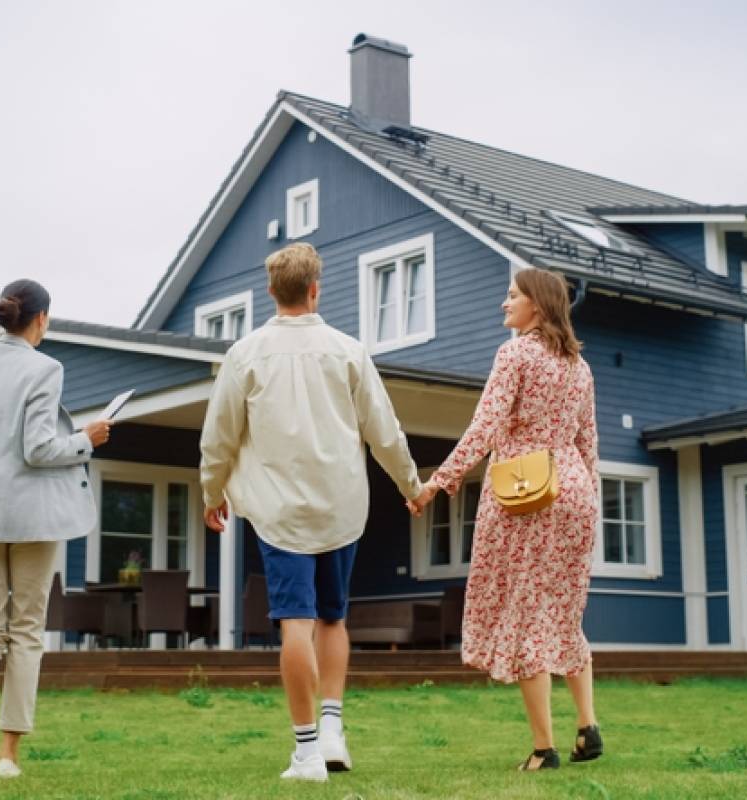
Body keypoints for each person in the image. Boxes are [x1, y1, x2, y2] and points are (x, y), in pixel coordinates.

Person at [199, 242, 424, 783]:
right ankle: (331, 729)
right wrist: (411, 485)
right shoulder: (349, 350)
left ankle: (306, 755)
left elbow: (219, 437)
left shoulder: (245, 354)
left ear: (272, 293)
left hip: (280, 514)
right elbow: (384, 432)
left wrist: (213, 494)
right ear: (316, 289)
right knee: (333, 618)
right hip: (341, 507)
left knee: (296, 623)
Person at [408, 268, 604, 771]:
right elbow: (588, 445)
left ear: (536, 305)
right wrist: (591, 505)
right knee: (563, 613)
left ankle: (544, 748)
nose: (503, 303)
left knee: (526, 616)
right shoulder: (579, 367)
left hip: (527, 490)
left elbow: (486, 426)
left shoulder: (515, 353)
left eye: (512, 296)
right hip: (575, 490)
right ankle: (588, 727)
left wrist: (440, 481)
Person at [0, 279, 114, 780]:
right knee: (25, 631)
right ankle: (10, 756)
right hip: (32, 517)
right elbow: (39, 448)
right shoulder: (45, 368)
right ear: (40, 319)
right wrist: (86, 438)